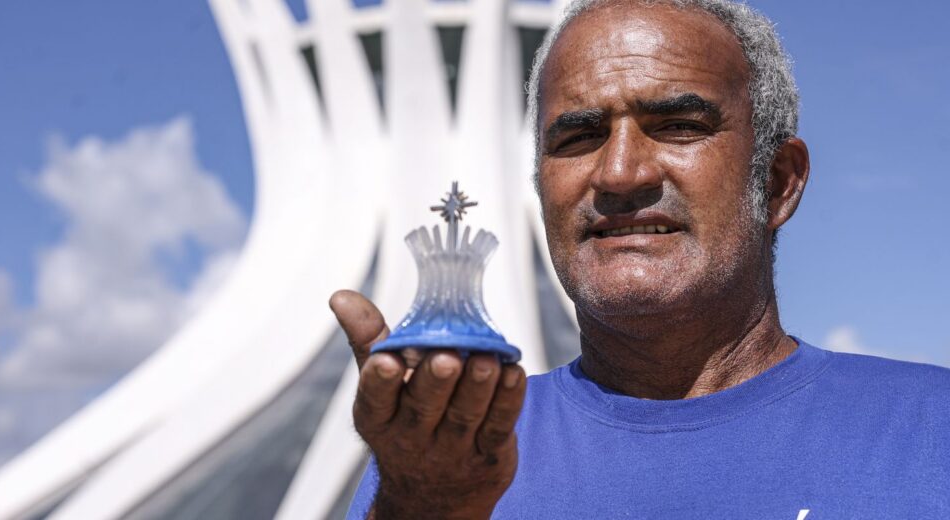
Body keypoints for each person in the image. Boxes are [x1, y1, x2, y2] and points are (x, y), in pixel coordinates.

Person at [331, 0, 950, 518]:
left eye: (678, 125)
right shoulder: (453, 454)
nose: (620, 173)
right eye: (577, 137)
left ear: (778, 182)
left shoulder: (928, 434)